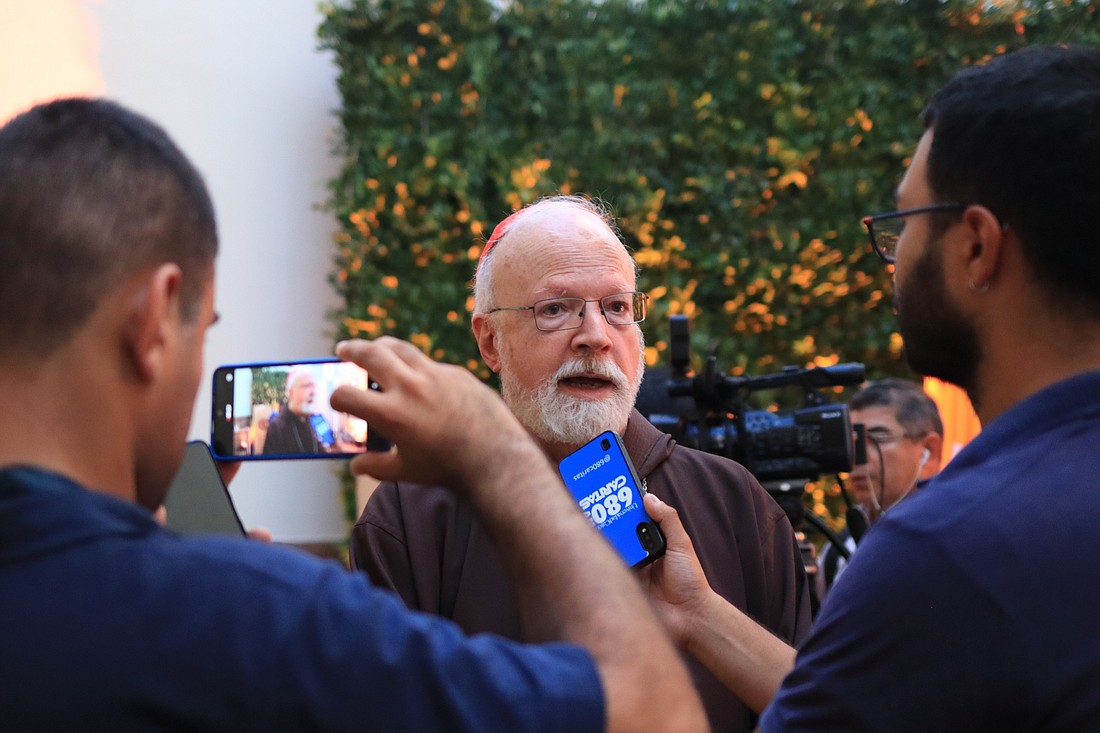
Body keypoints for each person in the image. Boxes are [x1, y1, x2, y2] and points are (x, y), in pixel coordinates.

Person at [0, 97, 708, 733]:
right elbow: (653, 711)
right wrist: (501, 460)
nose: (593, 332)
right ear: (155, 320)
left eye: (618, 307)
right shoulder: (251, 616)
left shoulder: (224, 608)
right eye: (203, 328)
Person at [643, 45, 1100, 731]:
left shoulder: (950, 550)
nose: (892, 261)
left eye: (905, 224)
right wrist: (696, 611)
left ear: (976, 246)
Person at [351, 194, 813, 732]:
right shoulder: (412, 516)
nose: (596, 336)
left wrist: (701, 619)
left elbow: (821, 712)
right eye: (556, 309)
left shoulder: (733, 500)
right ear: (489, 341)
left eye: (616, 308)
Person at [816, 378, 943, 598]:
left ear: (928, 452)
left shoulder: (953, 538)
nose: (857, 457)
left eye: (877, 438)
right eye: (850, 442)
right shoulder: (836, 551)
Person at [262, 367, 323, 455]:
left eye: (313, 386)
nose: (313, 392)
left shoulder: (312, 420)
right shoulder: (277, 427)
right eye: (306, 386)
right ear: (291, 392)